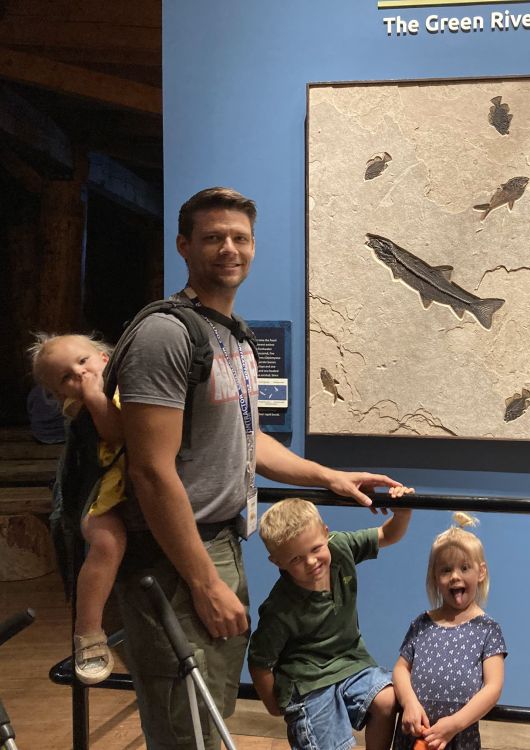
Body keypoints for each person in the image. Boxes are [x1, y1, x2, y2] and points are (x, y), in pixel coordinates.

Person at [112, 186, 411, 749]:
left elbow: (249, 445)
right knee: (186, 716)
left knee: (212, 703)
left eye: (240, 238)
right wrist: (202, 580)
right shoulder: (164, 335)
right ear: (183, 245)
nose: (230, 248)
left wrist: (329, 477)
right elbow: (151, 474)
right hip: (178, 555)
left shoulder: (233, 337)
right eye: (213, 237)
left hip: (222, 542)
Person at [248, 497, 413, 750]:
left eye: (315, 549)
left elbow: (386, 534)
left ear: (326, 533)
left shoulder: (341, 547)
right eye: (296, 559)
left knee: (387, 699)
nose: (311, 562)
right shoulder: (280, 608)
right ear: (277, 562)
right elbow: (260, 661)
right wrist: (274, 706)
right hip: (307, 681)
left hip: (350, 661)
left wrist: (402, 515)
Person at [29, 333, 126, 685]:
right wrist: (94, 397)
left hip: (130, 487)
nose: (79, 375)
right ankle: (88, 633)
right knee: (107, 541)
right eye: (66, 377)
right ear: (60, 394)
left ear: (103, 357)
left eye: (83, 362)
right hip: (101, 493)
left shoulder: (126, 379)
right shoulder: (82, 404)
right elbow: (115, 432)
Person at [392, 513, 507, 750]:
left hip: (458, 737)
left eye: (464, 567)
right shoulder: (421, 624)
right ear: (435, 577)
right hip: (415, 734)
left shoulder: (488, 629)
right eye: (446, 570)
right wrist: (409, 703)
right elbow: (400, 669)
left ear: (481, 572)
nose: (455, 576)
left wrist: (455, 724)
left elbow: (493, 687)